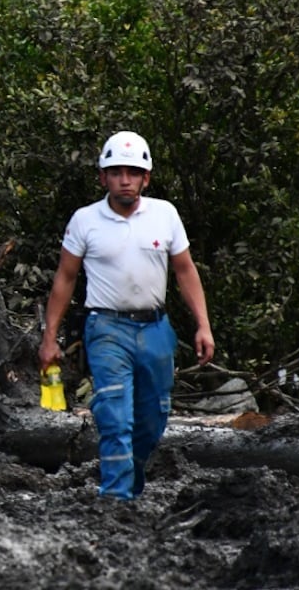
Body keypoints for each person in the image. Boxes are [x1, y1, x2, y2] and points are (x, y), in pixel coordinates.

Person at [38, 130, 215, 501]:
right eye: (116, 172)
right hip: (106, 328)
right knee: (115, 415)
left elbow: (184, 270)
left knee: (153, 418)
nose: (125, 180)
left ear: (145, 178)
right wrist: (49, 337)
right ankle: (115, 499)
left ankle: (129, 485)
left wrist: (203, 325)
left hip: (156, 329)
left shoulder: (164, 215)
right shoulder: (85, 220)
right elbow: (65, 278)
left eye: (132, 173)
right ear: (103, 177)